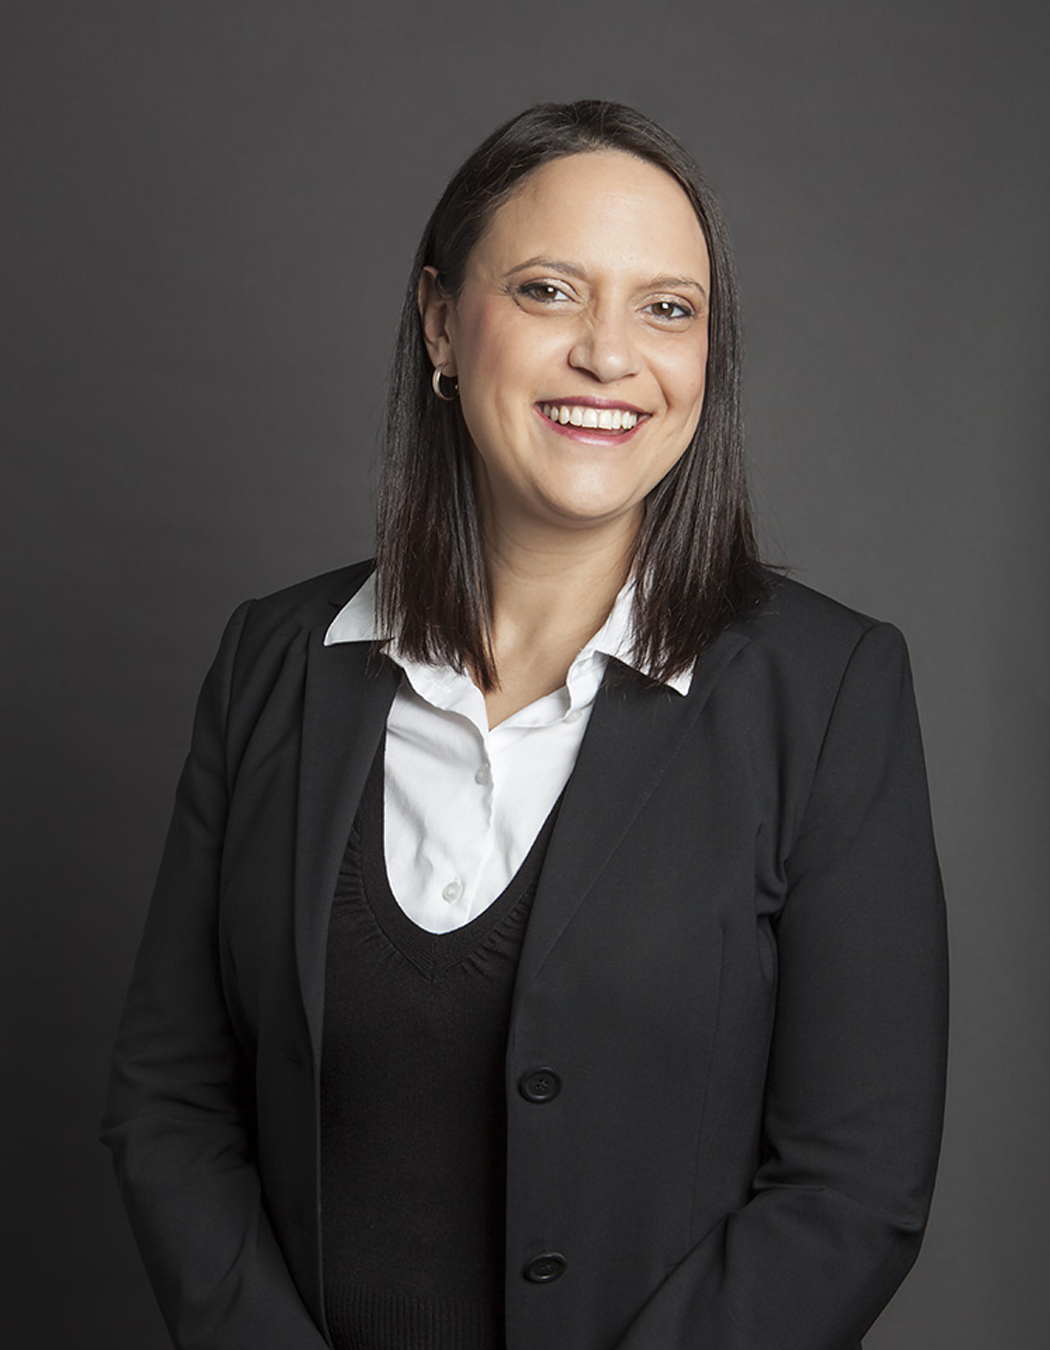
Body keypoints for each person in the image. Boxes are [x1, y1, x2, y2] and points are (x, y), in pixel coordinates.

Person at [102, 100, 949, 1350]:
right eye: (552, 290)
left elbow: (856, 1189)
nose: (613, 355)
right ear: (443, 323)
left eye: (668, 308)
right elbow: (168, 1100)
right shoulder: (273, 661)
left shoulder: (827, 691)